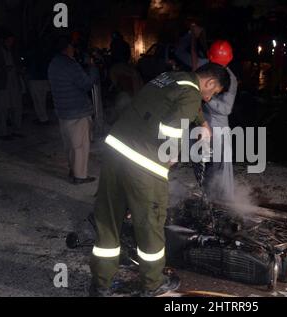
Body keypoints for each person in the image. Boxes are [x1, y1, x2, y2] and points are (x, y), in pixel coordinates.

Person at [89, 63, 230, 297]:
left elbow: (182, 102)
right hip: (143, 162)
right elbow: (172, 125)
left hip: (116, 152)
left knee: (109, 219)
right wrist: (171, 154)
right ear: (210, 83)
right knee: (150, 224)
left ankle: (100, 284)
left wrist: (202, 122)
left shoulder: (170, 78)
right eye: (213, 93)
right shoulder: (193, 93)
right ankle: (153, 284)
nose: (209, 98)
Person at [48, 36, 99, 184]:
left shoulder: (53, 63)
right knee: (80, 146)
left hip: (63, 111)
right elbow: (87, 84)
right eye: (72, 46)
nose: (74, 49)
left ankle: (73, 169)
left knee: (70, 144)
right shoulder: (71, 65)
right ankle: (80, 176)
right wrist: (92, 67)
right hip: (77, 111)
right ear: (67, 48)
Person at [202, 40, 237, 203]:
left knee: (223, 171)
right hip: (203, 126)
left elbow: (226, 109)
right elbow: (183, 55)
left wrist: (207, 98)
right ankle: (209, 200)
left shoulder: (231, 79)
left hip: (219, 130)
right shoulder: (204, 69)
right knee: (206, 166)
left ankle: (226, 205)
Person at [0, 30, 24, 140]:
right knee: (2, 109)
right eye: (9, 41)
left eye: (12, 41)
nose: (11, 43)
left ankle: (16, 130)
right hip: (1, 84)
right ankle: (3, 133)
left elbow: (18, 63)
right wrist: (1, 69)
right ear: (3, 40)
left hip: (14, 83)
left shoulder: (13, 51)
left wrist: (19, 69)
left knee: (17, 107)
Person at [26, 41, 52, 125]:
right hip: (41, 79)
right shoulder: (45, 54)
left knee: (38, 100)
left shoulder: (33, 54)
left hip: (36, 79)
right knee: (40, 100)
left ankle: (43, 119)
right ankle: (42, 118)